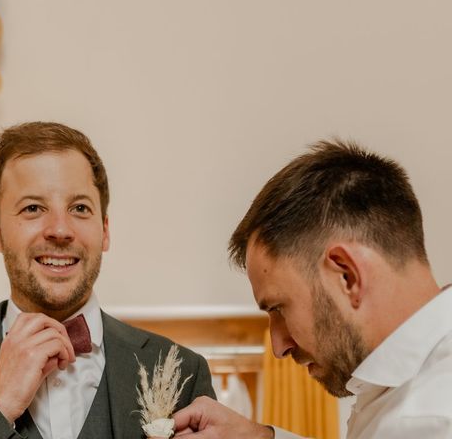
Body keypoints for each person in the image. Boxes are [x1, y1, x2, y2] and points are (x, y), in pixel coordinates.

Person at [0, 122, 215, 438]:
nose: (59, 230)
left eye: (80, 208)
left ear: (105, 231)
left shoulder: (185, 370)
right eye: (33, 208)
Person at [170, 140, 452, 438]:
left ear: (347, 275)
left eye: (278, 308)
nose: (278, 347)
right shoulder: (404, 391)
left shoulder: (428, 419)